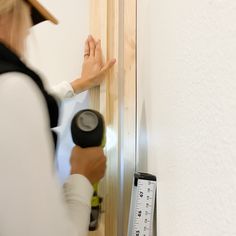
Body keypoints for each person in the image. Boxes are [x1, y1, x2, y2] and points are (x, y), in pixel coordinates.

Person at [0, 0, 116, 235]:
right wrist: (82, 178)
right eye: (26, 29)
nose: (23, 43)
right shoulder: (13, 90)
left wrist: (81, 83)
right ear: (8, 17)